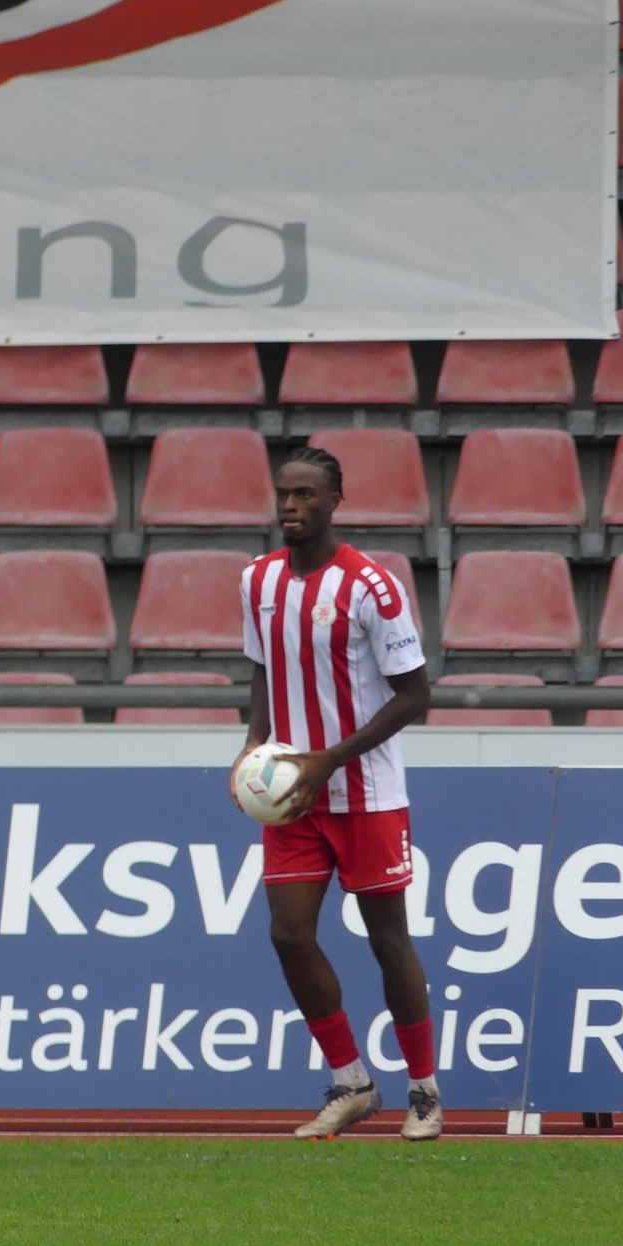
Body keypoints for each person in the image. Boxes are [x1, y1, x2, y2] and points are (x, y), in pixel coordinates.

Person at [232, 446, 438, 1141]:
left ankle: (424, 1092)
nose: (291, 506)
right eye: (283, 494)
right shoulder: (258, 579)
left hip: (366, 792)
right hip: (293, 795)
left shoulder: (372, 587)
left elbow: (415, 696)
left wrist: (330, 760)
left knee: (388, 940)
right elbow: (263, 668)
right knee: (288, 934)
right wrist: (254, 747)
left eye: (306, 495)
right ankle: (352, 1083)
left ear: (335, 502)